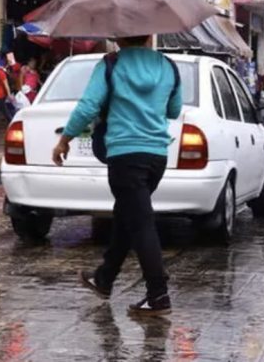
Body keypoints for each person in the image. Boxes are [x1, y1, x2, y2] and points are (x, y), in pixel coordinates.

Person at [52, 35, 182, 317]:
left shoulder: (111, 64)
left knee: (141, 222)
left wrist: (65, 140)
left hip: (125, 156)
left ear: (118, 37)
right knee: (127, 215)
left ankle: (158, 294)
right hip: (156, 156)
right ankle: (104, 278)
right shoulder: (169, 66)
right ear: (149, 36)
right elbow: (173, 110)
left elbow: (88, 107)